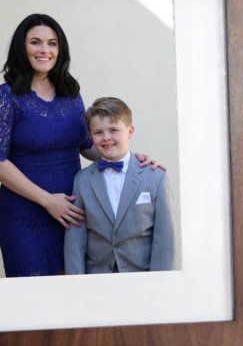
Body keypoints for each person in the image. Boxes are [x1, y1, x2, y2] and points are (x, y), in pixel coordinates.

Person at [0, 14, 156, 277]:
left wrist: (131, 160)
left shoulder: (71, 94)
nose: (45, 50)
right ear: (22, 47)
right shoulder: (6, 97)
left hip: (75, 214)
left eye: (52, 43)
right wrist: (48, 201)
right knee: (34, 300)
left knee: (75, 298)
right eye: (35, 42)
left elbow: (87, 146)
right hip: (25, 219)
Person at [64, 97, 178, 274]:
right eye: (98, 132)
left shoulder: (155, 177)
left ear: (130, 131)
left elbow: (165, 240)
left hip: (142, 278)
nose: (106, 138)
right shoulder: (82, 180)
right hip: (97, 279)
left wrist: (160, 285)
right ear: (91, 136)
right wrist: (76, 285)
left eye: (114, 130)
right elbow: (75, 243)